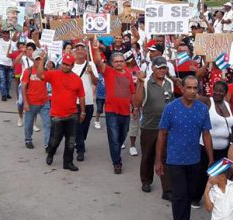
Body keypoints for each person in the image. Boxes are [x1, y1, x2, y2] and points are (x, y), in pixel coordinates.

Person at [155, 75, 213, 220]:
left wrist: (210, 160)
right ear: (182, 88)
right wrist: (158, 160)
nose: (192, 91)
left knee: (188, 194)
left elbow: (207, 134)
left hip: (194, 159)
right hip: (175, 160)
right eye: (189, 87)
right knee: (179, 196)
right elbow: (162, 134)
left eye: (195, 88)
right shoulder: (171, 108)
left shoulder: (202, 109)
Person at [92, 39, 135, 174]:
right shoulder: (108, 71)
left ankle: (116, 152)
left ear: (124, 62)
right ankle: (117, 162)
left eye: (121, 61)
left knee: (123, 135)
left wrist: (134, 106)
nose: (119, 63)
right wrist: (96, 49)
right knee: (114, 138)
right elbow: (98, 61)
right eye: (116, 61)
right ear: (111, 63)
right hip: (111, 111)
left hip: (126, 112)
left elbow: (132, 91)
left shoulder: (128, 73)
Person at [37, 51, 85, 171]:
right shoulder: (54, 74)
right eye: (63, 63)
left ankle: (67, 163)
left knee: (70, 141)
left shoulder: (77, 79)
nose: (65, 66)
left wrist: (83, 112)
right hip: (57, 115)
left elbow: (82, 96)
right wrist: (41, 60)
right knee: (55, 140)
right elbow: (40, 75)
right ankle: (51, 153)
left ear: (72, 66)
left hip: (72, 114)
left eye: (67, 64)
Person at [135, 56, 174, 198]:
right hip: (149, 126)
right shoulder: (145, 83)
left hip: (166, 127)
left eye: (164, 68)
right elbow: (137, 103)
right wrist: (139, 83)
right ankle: (146, 181)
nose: (162, 70)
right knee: (148, 155)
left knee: (165, 157)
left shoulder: (169, 83)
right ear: (153, 68)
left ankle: (167, 189)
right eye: (159, 68)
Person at [192, 81, 233, 206]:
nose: (217, 92)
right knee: (202, 174)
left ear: (225, 93)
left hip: (224, 147)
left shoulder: (227, 104)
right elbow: (195, 96)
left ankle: (213, 198)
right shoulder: (208, 101)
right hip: (206, 146)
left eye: (221, 90)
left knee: (219, 174)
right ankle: (195, 198)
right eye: (215, 89)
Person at [72, 41, 97, 162]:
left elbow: (96, 82)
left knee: (85, 127)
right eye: (77, 49)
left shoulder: (91, 64)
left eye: (82, 49)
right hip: (74, 102)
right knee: (78, 127)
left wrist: (91, 72)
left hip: (88, 101)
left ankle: (80, 141)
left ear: (86, 52)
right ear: (74, 52)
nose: (80, 51)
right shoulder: (70, 65)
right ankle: (80, 150)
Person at [22, 49, 51, 150]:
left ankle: (48, 144)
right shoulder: (28, 71)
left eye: (41, 59)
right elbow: (23, 87)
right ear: (33, 60)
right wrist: (25, 102)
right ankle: (28, 139)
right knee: (29, 123)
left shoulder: (46, 71)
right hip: (31, 102)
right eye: (37, 59)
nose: (39, 62)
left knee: (48, 123)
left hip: (44, 102)